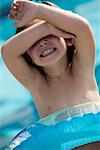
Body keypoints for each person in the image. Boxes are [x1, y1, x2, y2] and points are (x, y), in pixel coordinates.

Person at [2, 0, 100, 149]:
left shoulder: (82, 67)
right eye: (33, 41)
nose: (42, 43)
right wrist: (48, 26)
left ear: (67, 39)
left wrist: (39, 11)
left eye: (50, 35)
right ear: (29, 58)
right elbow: (7, 51)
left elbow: (82, 27)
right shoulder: (36, 83)